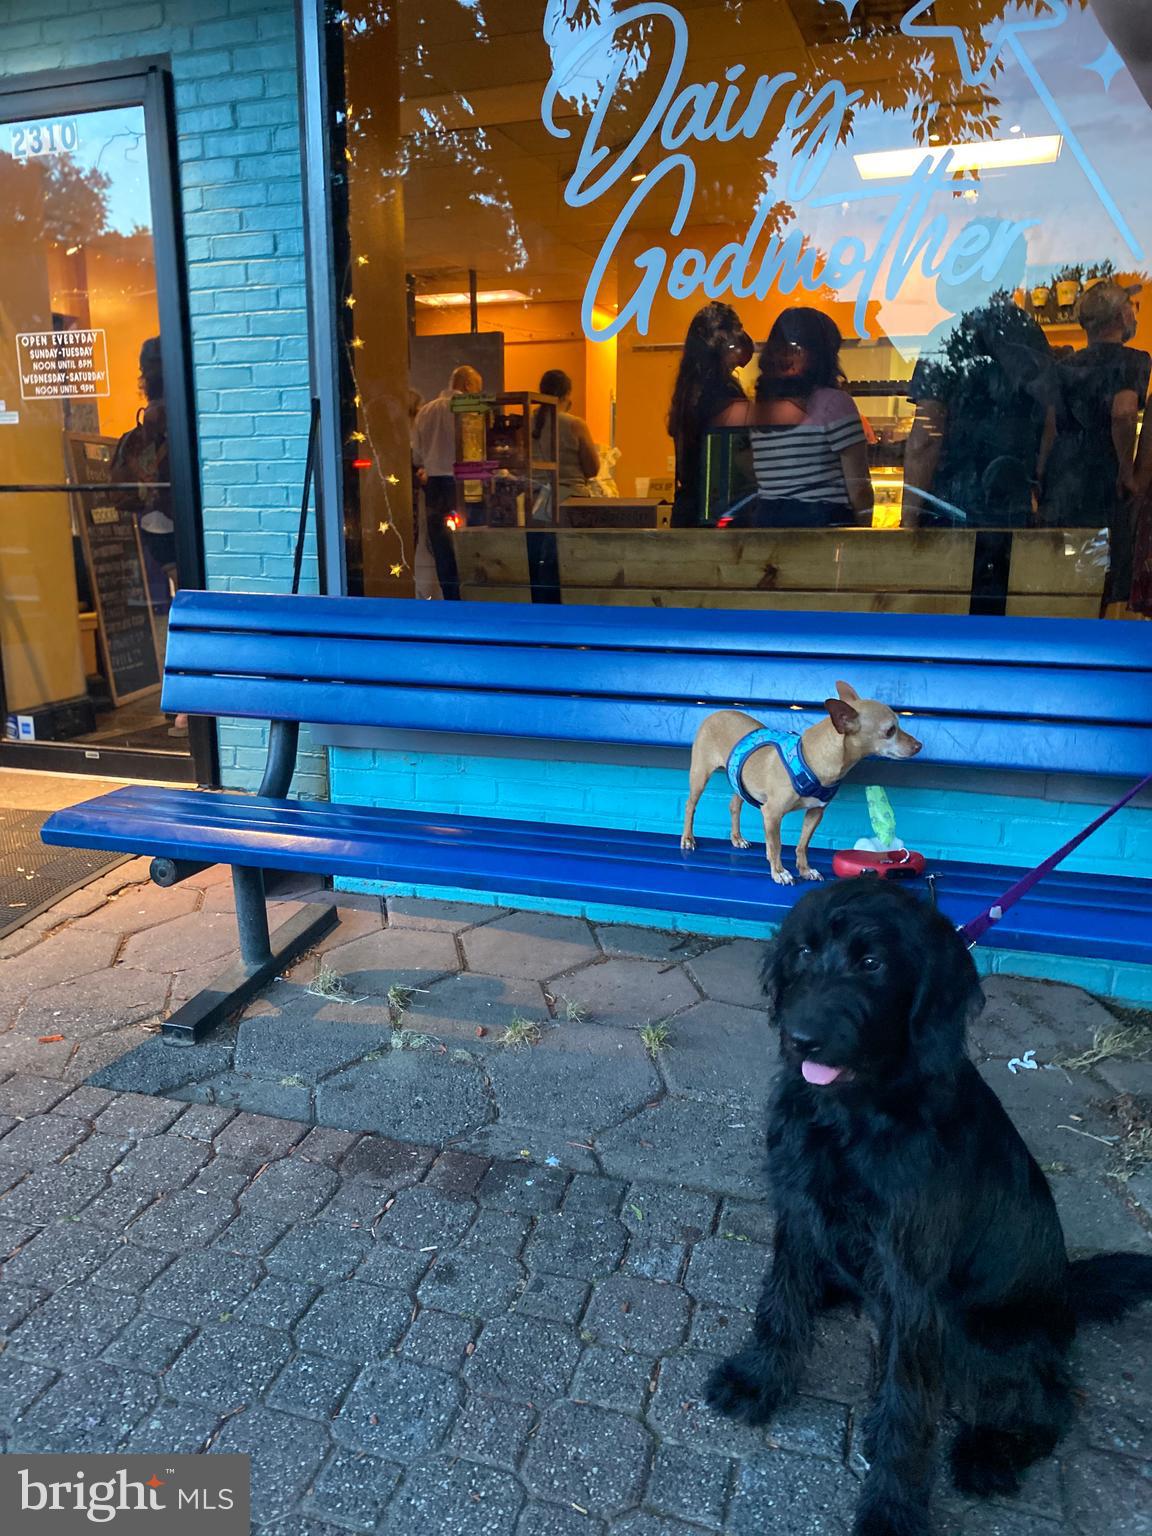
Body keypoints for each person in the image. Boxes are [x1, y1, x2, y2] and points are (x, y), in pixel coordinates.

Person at [903, 225, 1053, 528]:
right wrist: (1037, 482)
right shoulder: (1030, 334)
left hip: (952, 506)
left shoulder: (949, 334)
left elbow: (926, 437)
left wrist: (908, 517)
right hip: (1012, 504)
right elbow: (1051, 420)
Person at [1039, 280, 1150, 611]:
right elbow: (1124, 412)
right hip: (1101, 475)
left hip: (1063, 477)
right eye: (1130, 309)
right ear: (1120, 316)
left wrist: (1041, 475)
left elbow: (1049, 426)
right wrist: (1126, 471)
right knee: (1104, 576)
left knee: (1064, 577)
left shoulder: (1063, 367)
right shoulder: (1132, 360)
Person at [712, 308, 872, 527]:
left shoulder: (763, 408)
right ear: (824, 355)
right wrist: (864, 531)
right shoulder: (835, 403)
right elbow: (859, 489)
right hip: (822, 525)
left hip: (769, 521)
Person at [667, 302, 753, 526]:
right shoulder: (723, 391)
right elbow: (740, 458)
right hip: (719, 509)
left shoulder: (687, 390)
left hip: (688, 507)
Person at [411, 365, 482, 601]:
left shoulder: (425, 411)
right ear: (468, 385)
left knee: (441, 548)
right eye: (477, 388)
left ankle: (450, 599)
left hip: (434, 486)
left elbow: (416, 455)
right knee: (469, 545)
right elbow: (479, 449)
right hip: (465, 484)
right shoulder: (472, 407)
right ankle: (471, 597)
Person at [534, 368, 599, 505]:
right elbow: (592, 469)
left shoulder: (526, 423)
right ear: (567, 394)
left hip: (536, 499)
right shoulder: (575, 424)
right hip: (571, 498)